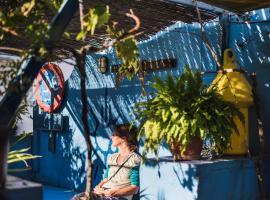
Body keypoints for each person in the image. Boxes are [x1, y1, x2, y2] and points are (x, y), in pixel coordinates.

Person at [73, 124, 141, 200]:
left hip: (118, 197)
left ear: (123, 138)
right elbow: (106, 179)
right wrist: (98, 187)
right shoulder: (112, 157)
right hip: (103, 193)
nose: (111, 137)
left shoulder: (134, 159)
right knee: (78, 197)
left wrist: (112, 193)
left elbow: (134, 188)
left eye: (114, 135)